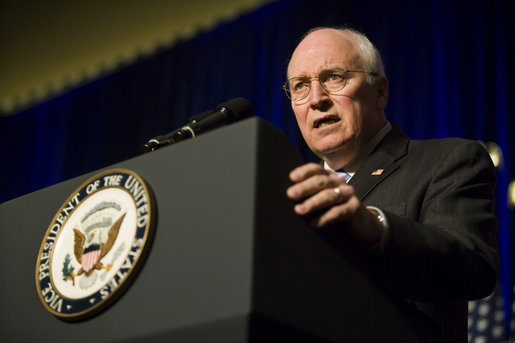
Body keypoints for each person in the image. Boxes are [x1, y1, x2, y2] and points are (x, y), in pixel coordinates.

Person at [284, 27, 499, 343]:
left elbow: (474, 268)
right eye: (300, 86)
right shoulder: (290, 199)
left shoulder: (449, 160)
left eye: (333, 78)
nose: (316, 99)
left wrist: (376, 228)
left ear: (380, 91)